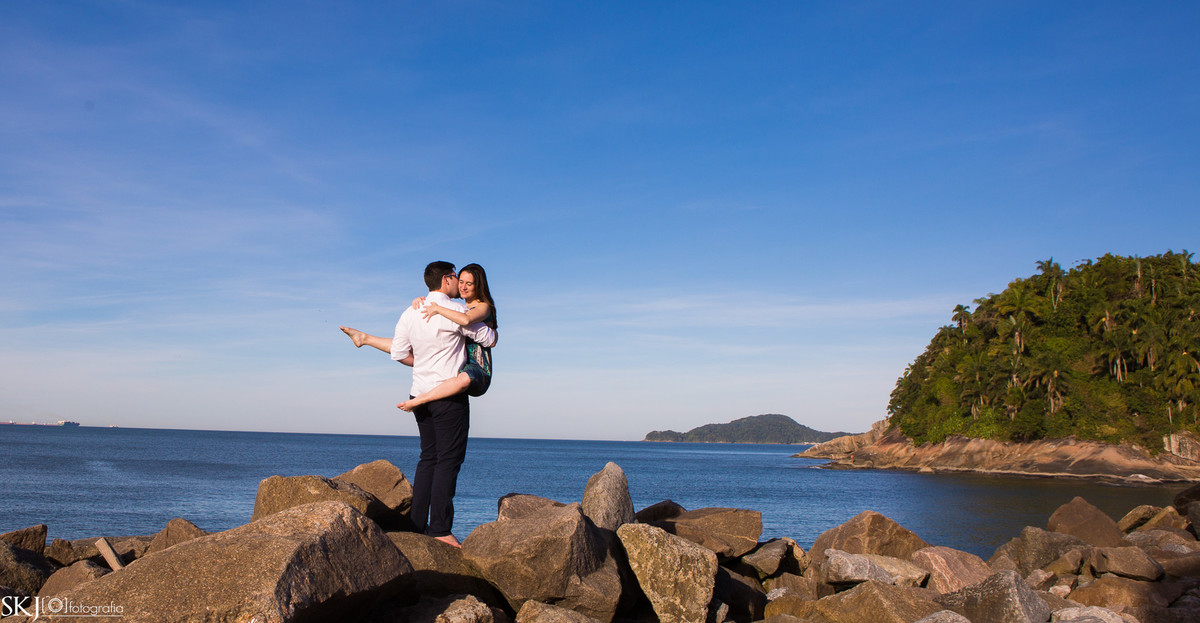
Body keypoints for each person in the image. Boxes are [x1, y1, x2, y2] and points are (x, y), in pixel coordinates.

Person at [338, 261, 496, 547]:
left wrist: (423, 362)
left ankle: (416, 524)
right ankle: (440, 530)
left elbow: (400, 353)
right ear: (446, 279)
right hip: (447, 396)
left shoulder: (410, 311)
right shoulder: (456, 310)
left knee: (428, 458)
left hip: (418, 394)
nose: (459, 284)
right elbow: (487, 337)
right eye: (455, 278)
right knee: (448, 461)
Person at [398, 263, 497, 412]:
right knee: (414, 343)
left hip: (478, 365)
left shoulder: (483, 306)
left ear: (478, 286)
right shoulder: (458, 307)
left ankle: (421, 399)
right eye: (461, 281)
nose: (463, 287)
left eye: (469, 284)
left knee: (462, 380)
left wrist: (438, 308)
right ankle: (367, 339)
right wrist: (420, 302)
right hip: (462, 363)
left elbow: (465, 320)